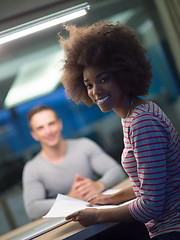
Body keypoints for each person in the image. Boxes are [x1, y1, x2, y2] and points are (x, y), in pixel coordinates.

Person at [58, 21, 180, 239]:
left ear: (123, 74)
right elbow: (154, 181)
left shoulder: (142, 122)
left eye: (103, 79)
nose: (95, 91)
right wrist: (113, 198)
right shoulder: (134, 114)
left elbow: (151, 206)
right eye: (89, 84)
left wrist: (97, 216)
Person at [22, 105, 126, 220]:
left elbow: (117, 171)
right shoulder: (32, 168)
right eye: (40, 128)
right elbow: (32, 209)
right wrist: (69, 199)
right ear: (34, 135)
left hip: (99, 212)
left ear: (59, 124)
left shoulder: (84, 145)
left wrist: (100, 185)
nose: (48, 131)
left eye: (51, 124)